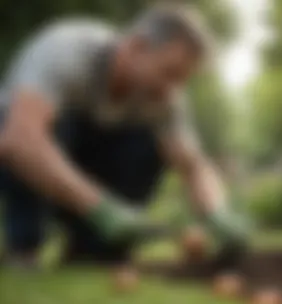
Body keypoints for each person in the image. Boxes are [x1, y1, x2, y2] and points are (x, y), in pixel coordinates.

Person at [0, 4, 251, 268]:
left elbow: (192, 166)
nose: (173, 90)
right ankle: (24, 246)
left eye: (181, 80)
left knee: (149, 143)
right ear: (136, 47)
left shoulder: (165, 97)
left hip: (81, 163)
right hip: (15, 148)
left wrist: (216, 212)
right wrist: (102, 208)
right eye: (169, 73)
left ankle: (92, 250)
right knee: (46, 126)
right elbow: (20, 140)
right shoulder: (65, 51)